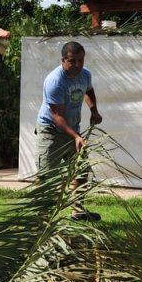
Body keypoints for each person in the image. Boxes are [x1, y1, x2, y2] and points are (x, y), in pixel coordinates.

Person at [36, 41, 103, 221]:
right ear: (63, 60)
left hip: (72, 130)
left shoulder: (85, 74)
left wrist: (94, 110)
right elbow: (57, 116)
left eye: (81, 60)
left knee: (81, 170)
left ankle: (78, 211)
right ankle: (43, 218)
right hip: (51, 131)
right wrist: (76, 136)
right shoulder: (55, 81)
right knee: (47, 176)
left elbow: (89, 90)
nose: (77, 65)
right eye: (72, 61)